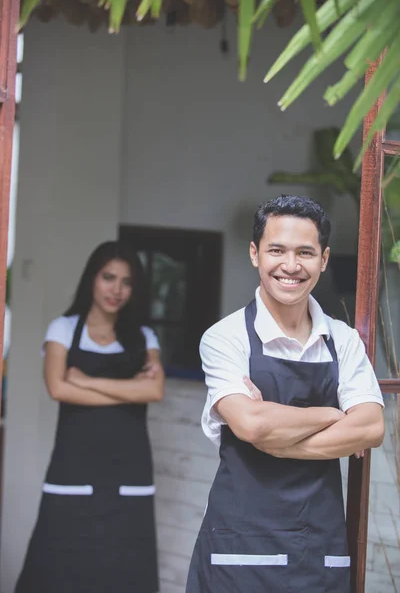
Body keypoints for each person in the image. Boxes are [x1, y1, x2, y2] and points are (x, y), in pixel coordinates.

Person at [186, 195, 384, 593]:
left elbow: (371, 427)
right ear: (255, 254)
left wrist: (278, 440)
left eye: (305, 253)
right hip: (239, 547)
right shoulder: (225, 337)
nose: (291, 266)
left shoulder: (342, 340)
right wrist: (333, 414)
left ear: (324, 259)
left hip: (320, 547)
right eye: (277, 250)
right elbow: (252, 423)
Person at [16, 241, 164, 593]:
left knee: (126, 573)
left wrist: (86, 380)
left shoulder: (145, 337)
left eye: (126, 282)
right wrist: (127, 388)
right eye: (108, 278)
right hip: (73, 468)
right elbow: (58, 389)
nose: (117, 289)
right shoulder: (63, 329)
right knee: (56, 570)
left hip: (129, 471)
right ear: (92, 280)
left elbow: (154, 392)